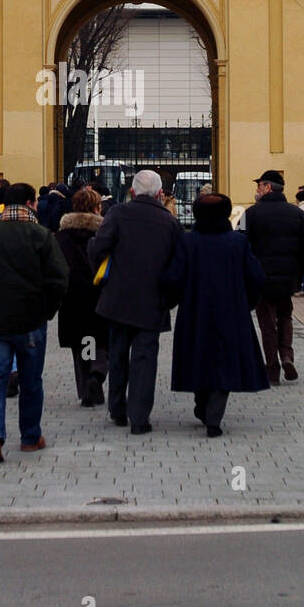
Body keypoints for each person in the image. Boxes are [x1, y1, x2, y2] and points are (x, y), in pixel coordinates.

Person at [0, 182, 69, 463]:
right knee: (31, 380)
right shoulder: (40, 235)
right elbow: (59, 278)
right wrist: (48, 310)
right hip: (31, 319)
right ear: (32, 203)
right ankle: (31, 437)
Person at [163, 193, 269, 435]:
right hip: (230, 312)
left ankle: (204, 405)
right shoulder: (237, 242)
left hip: (194, 312)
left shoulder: (188, 242)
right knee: (225, 360)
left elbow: (173, 277)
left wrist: (170, 300)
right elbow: (256, 277)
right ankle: (213, 415)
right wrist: (247, 303)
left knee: (199, 357)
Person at [87, 169, 183, 434]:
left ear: (132, 192)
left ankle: (117, 409)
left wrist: (105, 279)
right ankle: (139, 418)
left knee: (117, 354)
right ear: (160, 194)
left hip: (118, 298)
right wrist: (170, 299)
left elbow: (99, 247)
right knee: (145, 360)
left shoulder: (117, 213)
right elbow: (178, 267)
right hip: (153, 302)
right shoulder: (170, 223)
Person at [244, 170, 304, 383]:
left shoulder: (251, 214)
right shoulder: (297, 214)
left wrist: (248, 275)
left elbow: (241, 246)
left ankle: (272, 368)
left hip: (262, 279)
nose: (257, 189)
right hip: (288, 278)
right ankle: (286, 355)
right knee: (285, 316)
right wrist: (299, 274)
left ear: (267, 187)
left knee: (267, 323)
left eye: (259, 185)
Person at [55, 186, 109, 407]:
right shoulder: (105, 233)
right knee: (102, 341)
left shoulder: (60, 237)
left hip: (71, 297)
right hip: (100, 295)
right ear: (98, 208)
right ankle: (98, 372)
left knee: (81, 344)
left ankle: (87, 387)